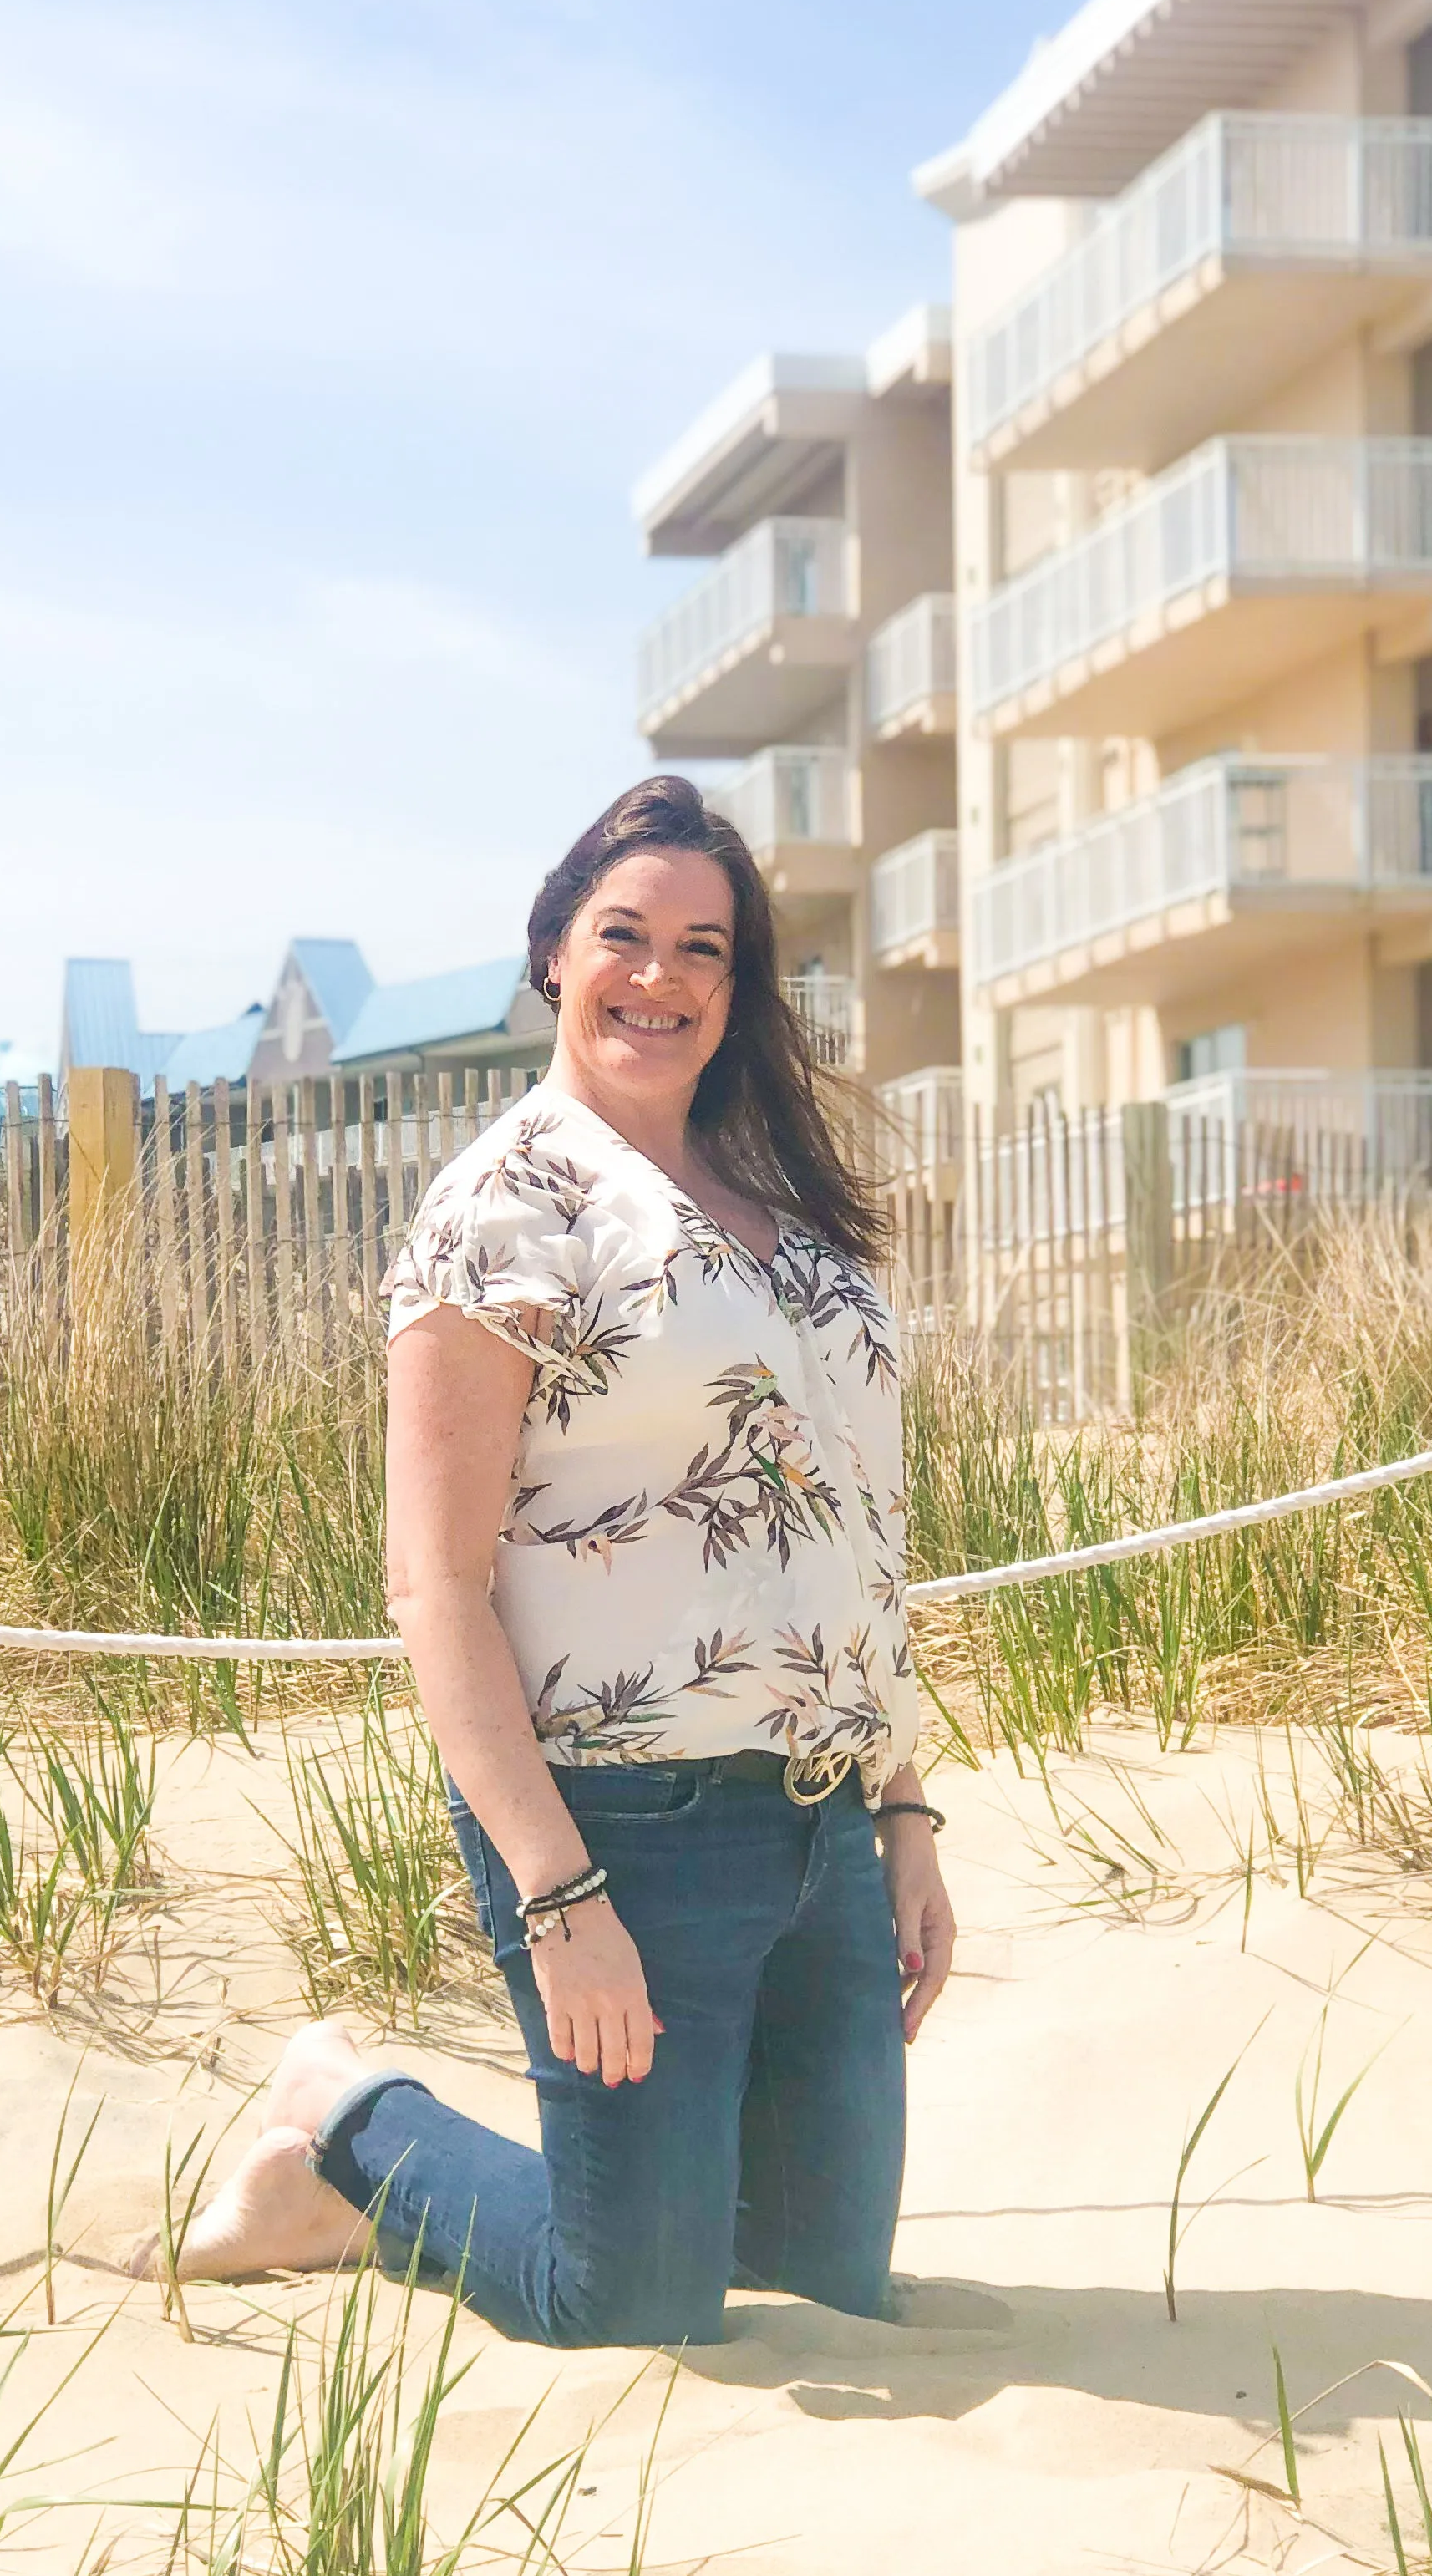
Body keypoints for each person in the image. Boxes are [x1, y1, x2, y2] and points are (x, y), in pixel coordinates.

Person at [133, 774, 953, 2346]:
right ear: (555, 954)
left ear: (741, 982)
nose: (662, 977)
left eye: (704, 948)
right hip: (625, 1824)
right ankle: (354, 2127)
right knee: (632, 2302)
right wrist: (557, 1891)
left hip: (821, 1822)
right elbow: (432, 1583)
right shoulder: (503, 1204)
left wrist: (904, 1806)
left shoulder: (793, 1207)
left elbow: (870, 1527)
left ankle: (424, 2162)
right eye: (624, 936)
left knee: (818, 2288)